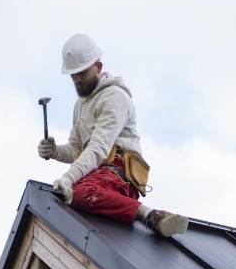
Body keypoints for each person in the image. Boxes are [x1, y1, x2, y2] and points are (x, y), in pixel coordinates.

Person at [38, 33, 189, 237]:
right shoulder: (80, 106)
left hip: (118, 171)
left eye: (82, 73)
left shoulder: (115, 97)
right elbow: (77, 150)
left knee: (78, 192)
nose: (77, 79)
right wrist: (55, 151)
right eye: (73, 75)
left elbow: (98, 148)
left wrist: (68, 178)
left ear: (98, 67)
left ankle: (152, 216)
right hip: (96, 172)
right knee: (70, 194)